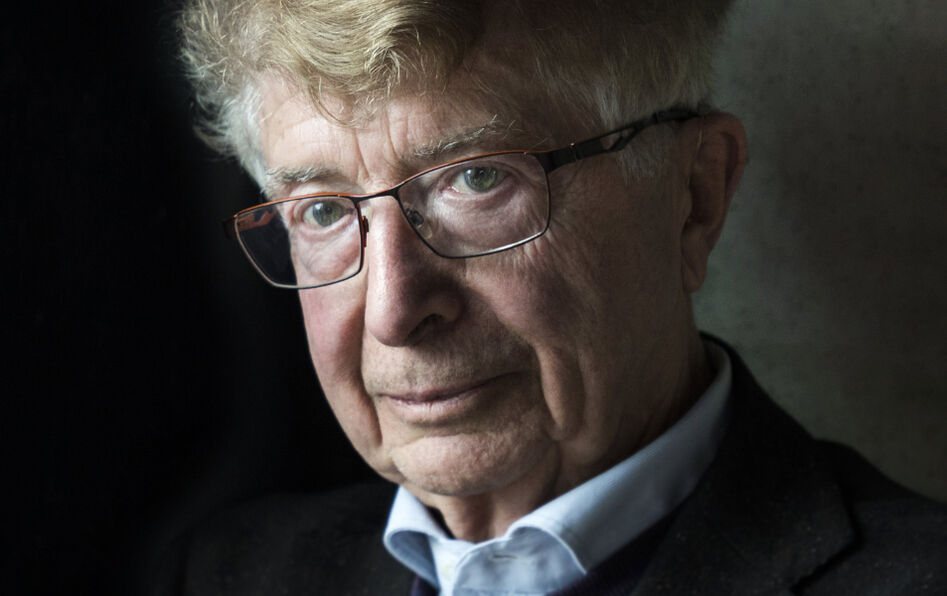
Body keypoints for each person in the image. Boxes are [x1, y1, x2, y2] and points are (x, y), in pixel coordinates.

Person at [154, 0, 945, 593]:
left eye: (477, 179)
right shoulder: (224, 574)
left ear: (694, 197)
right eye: (323, 211)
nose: (394, 313)